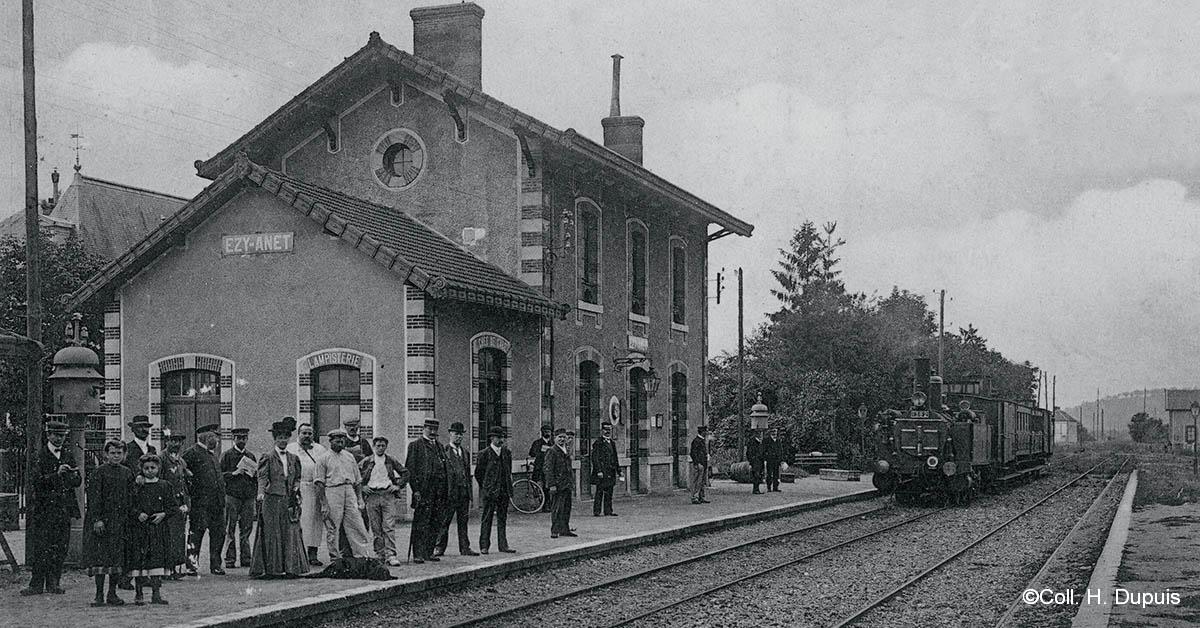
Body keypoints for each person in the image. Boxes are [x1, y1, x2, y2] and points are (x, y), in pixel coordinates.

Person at [21, 419, 81, 596]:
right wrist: (56, 475)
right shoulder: (39, 455)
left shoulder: (68, 454)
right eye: (56, 435)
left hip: (63, 508)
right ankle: (37, 583)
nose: (59, 439)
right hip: (45, 509)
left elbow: (77, 482)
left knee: (60, 546)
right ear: (48, 435)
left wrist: (74, 475)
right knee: (42, 546)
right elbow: (35, 482)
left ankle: (54, 581)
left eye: (62, 436)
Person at [250, 420, 309, 578]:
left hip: (288, 499)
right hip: (272, 500)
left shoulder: (293, 458)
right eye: (280, 437)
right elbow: (262, 478)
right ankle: (271, 569)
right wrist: (260, 493)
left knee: (290, 531)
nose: (283, 440)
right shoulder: (267, 457)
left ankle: (291, 568)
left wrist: (296, 487)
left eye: (285, 437)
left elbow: (297, 477)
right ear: (274, 439)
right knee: (272, 533)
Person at [82, 440, 133, 606]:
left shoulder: (127, 473)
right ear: (106, 454)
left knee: (116, 559)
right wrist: (97, 519)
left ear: (124, 455)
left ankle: (112, 593)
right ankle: (98, 594)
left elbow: (131, 497)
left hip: (120, 522)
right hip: (103, 522)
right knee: (101, 559)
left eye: (119, 453)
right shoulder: (99, 472)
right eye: (113, 453)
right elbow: (94, 498)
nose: (116, 456)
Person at [315, 428, 373, 559]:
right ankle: (335, 557)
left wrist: (359, 499)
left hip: (349, 490)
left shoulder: (349, 456)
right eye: (337, 439)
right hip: (332, 491)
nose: (340, 441)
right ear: (330, 441)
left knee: (356, 523)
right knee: (333, 526)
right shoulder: (323, 458)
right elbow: (319, 483)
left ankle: (362, 555)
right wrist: (324, 504)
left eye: (342, 439)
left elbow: (358, 480)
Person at [128, 454, 178, 606]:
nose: (150, 471)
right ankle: (139, 594)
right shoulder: (137, 486)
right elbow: (129, 504)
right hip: (141, 529)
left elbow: (173, 507)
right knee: (140, 561)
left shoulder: (165, 485)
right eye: (146, 468)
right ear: (141, 469)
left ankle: (156, 594)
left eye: (153, 468)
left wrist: (163, 514)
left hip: (158, 529)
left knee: (157, 561)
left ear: (159, 468)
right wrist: (138, 514)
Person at [182, 423, 226, 575]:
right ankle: (192, 565)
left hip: (217, 503)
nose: (217, 440)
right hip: (200, 503)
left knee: (218, 534)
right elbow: (183, 474)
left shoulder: (212, 454)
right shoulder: (191, 453)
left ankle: (216, 565)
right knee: (196, 533)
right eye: (214, 437)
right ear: (206, 437)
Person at [359, 436, 408, 566]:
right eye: (378, 446)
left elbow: (405, 472)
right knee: (376, 527)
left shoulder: (390, 460)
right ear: (374, 447)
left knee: (389, 526)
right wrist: (363, 487)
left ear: (386, 447)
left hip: (387, 495)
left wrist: (398, 486)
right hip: (372, 496)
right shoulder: (367, 461)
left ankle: (391, 554)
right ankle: (380, 554)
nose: (380, 448)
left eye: (383, 446)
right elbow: (356, 476)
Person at [406, 418, 448, 564]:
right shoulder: (415, 446)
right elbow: (410, 469)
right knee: (421, 523)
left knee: (435, 522)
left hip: (439, 491)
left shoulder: (440, 446)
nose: (432, 432)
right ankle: (418, 553)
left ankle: (428, 552)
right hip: (424, 491)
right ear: (424, 428)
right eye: (430, 429)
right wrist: (415, 490)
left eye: (435, 429)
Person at [286, 422, 329, 565]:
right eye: (304, 433)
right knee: (300, 521)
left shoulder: (320, 449)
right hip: (297, 488)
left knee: (315, 522)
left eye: (310, 433)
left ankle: (313, 554)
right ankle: (298, 553)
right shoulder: (291, 448)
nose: (307, 436)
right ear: (298, 434)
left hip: (314, 488)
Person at [436, 422, 478, 557]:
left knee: (463, 521)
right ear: (450, 434)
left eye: (461, 434)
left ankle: (465, 548)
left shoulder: (465, 452)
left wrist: (470, 494)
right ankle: (439, 547)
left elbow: (467, 474)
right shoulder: (444, 451)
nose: (458, 437)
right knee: (445, 521)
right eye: (456, 434)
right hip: (450, 493)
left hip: (463, 493)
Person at [475, 426, 515, 554]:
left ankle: (503, 545)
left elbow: (508, 471)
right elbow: (478, 474)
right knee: (487, 518)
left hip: (503, 491)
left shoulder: (507, 453)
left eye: (503, 437)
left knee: (502, 519)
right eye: (498, 437)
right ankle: (484, 546)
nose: (501, 440)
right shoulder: (484, 454)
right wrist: (486, 487)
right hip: (490, 492)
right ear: (492, 438)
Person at [220, 426, 257, 569]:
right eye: (238, 438)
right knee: (230, 527)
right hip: (232, 496)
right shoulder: (227, 455)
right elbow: (220, 475)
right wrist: (234, 473)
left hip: (247, 497)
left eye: (244, 438)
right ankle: (230, 559)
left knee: (246, 528)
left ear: (247, 439)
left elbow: (256, 477)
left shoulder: (250, 456)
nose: (241, 440)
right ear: (234, 439)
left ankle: (246, 558)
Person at [160, 430, 191, 579]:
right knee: (168, 535)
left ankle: (175, 568)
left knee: (179, 536)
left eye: (179, 441)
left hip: (180, 502)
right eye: (173, 441)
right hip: (168, 503)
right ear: (167, 441)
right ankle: (166, 568)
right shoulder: (161, 458)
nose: (176, 444)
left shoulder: (180, 459)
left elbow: (184, 478)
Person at [544, 428, 575, 538]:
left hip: (567, 484)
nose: (562, 439)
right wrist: (551, 485)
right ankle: (555, 530)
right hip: (558, 485)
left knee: (566, 508)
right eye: (559, 437)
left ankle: (565, 529)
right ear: (555, 438)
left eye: (564, 437)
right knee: (557, 508)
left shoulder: (566, 449)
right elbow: (548, 469)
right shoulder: (552, 451)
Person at [589, 422, 619, 517]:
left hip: (611, 471)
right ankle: (597, 511)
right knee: (600, 491)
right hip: (602, 471)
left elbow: (615, 458)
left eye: (609, 430)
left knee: (609, 492)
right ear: (602, 430)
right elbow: (595, 458)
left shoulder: (612, 443)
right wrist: (598, 471)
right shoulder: (598, 443)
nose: (607, 431)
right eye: (606, 429)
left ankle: (608, 511)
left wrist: (619, 471)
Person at [528, 425, 553, 511]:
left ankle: (547, 505)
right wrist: (541, 452)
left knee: (547, 487)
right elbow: (532, 453)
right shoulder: (537, 443)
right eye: (545, 431)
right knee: (535, 485)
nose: (547, 433)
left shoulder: (552, 443)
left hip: (548, 469)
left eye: (548, 431)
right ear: (542, 432)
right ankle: (536, 503)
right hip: (538, 467)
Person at [689, 425, 710, 505]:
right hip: (699, 464)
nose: (706, 433)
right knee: (697, 481)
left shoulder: (701, 440)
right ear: (702, 432)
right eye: (705, 431)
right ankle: (695, 497)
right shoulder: (696, 441)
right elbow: (693, 453)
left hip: (703, 464)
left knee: (702, 481)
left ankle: (701, 496)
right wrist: (697, 463)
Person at [764, 427, 784, 493]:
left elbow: (780, 450)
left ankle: (775, 487)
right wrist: (766, 457)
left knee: (776, 474)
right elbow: (764, 450)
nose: (775, 433)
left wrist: (781, 459)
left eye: (776, 432)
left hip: (776, 460)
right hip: (770, 460)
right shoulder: (767, 440)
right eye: (773, 432)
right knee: (769, 474)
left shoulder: (778, 441)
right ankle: (769, 487)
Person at [746, 429, 765, 495]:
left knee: (759, 475)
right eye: (760, 434)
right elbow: (749, 452)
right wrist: (751, 460)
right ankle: (755, 489)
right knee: (756, 475)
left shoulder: (761, 442)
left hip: (760, 461)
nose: (761, 435)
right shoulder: (752, 442)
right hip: (755, 461)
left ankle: (757, 489)